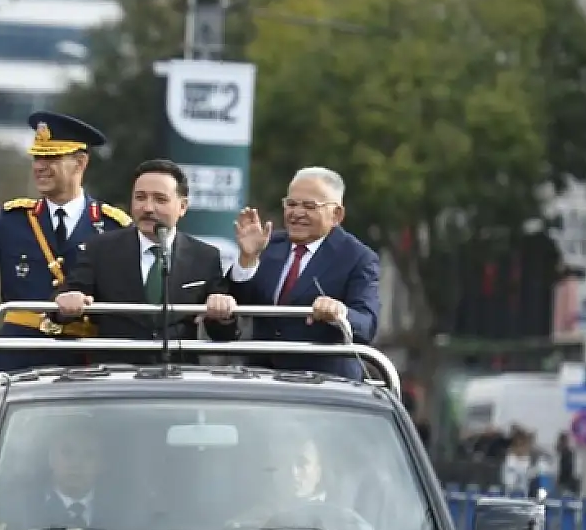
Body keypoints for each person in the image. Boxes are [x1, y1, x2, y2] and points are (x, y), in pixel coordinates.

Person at [0, 111, 131, 372]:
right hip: (18, 359)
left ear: (80, 163)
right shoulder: (14, 220)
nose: (40, 166)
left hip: (84, 361)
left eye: (51, 157)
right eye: (37, 157)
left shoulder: (112, 226)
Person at [52, 159, 237, 349]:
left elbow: (222, 333)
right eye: (140, 197)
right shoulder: (100, 249)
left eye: (160, 199)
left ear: (183, 206)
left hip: (178, 371)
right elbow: (64, 302)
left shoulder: (205, 257)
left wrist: (222, 314)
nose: (148, 208)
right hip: (117, 370)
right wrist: (67, 302)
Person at [229, 166, 381, 381]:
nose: (297, 213)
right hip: (262, 382)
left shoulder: (358, 258)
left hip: (322, 387)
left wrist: (339, 313)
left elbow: (366, 325)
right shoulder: (268, 244)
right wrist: (247, 260)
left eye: (309, 206)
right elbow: (236, 308)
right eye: (291, 204)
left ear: (336, 214)